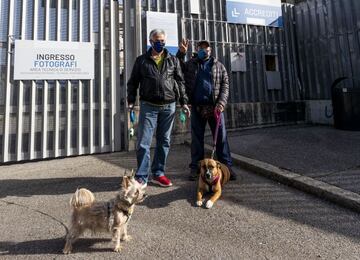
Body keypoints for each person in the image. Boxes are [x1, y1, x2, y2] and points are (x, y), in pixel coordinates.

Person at [127, 29, 190, 187]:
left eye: (162, 40)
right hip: (148, 106)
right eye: (156, 40)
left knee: (164, 142)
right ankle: (142, 176)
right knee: (143, 142)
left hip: (169, 106)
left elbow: (180, 82)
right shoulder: (142, 60)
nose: (160, 43)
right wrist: (130, 100)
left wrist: (183, 102)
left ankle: (159, 173)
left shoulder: (172, 60)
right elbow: (133, 82)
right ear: (150, 41)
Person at [176, 39, 237, 181]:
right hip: (197, 108)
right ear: (197, 49)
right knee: (197, 139)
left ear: (211, 50)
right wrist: (181, 54)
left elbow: (225, 85)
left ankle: (226, 168)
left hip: (215, 108)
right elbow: (177, 69)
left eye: (207, 48)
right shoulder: (191, 64)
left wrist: (221, 103)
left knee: (221, 139)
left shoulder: (219, 66)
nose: (205, 50)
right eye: (202, 48)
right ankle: (196, 168)